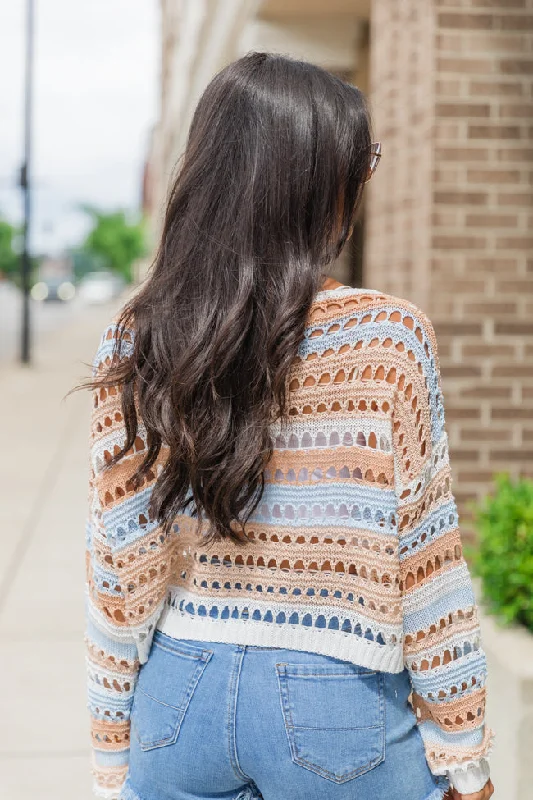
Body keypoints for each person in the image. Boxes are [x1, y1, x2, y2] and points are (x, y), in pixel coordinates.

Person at [84, 52, 494, 800]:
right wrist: (461, 750)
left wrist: (115, 740)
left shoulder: (141, 336)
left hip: (177, 697)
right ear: (316, 180)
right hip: (337, 702)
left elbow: (117, 559)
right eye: (359, 164)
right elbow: (426, 560)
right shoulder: (388, 336)